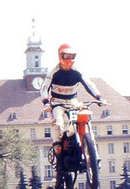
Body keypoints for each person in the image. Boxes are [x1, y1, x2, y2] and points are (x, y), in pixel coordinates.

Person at [40, 44, 103, 173]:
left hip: (73, 102)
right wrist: (46, 102)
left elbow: (88, 83)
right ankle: (58, 150)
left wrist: (98, 96)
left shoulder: (76, 72)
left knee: (82, 121)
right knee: (58, 122)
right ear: (60, 56)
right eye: (66, 56)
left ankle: (93, 154)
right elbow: (44, 87)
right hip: (57, 103)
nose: (69, 59)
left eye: (72, 56)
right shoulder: (54, 72)